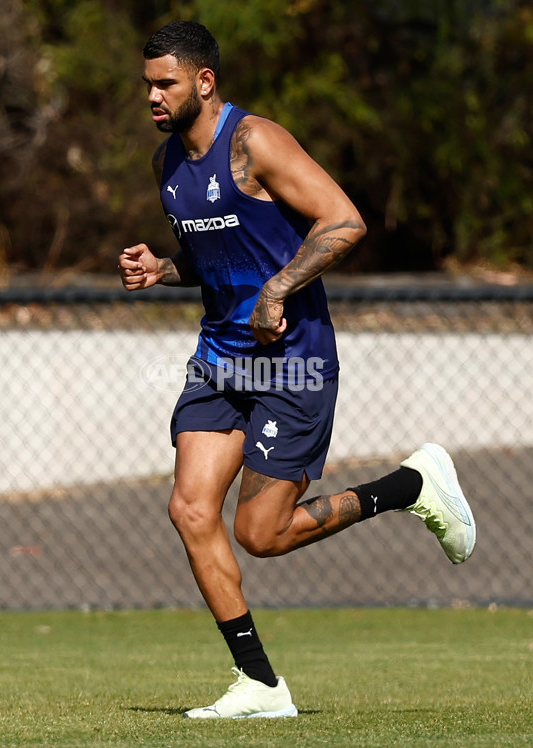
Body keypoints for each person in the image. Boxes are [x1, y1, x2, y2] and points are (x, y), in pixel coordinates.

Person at [119, 20, 476, 719]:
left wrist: (279, 289)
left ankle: (410, 485)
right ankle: (259, 683)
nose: (153, 96)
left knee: (260, 534)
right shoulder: (166, 166)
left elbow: (344, 220)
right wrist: (163, 268)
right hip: (220, 358)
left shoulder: (255, 143)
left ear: (204, 81)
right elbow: (219, 252)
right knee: (190, 509)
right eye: (147, 85)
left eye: (165, 83)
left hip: (293, 361)